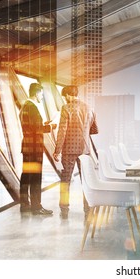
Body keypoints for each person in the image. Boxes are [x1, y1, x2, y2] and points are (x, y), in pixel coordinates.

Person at [53, 85, 98, 219]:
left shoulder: (66, 108)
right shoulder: (89, 107)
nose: (65, 99)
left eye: (64, 96)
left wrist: (57, 151)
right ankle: (87, 208)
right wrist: (83, 131)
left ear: (68, 95)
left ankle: (64, 210)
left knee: (65, 180)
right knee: (86, 180)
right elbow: (95, 130)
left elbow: (62, 131)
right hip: (85, 150)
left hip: (69, 150)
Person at [19, 83, 56, 215]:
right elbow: (37, 129)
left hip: (27, 147)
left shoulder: (24, 107)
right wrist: (50, 127)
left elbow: (31, 126)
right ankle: (36, 207)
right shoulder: (33, 107)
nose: (42, 97)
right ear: (36, 93)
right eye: (41, 94)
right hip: (34, 148)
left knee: (26, 177)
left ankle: (24, 205)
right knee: (35, 177)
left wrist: (42, 124)